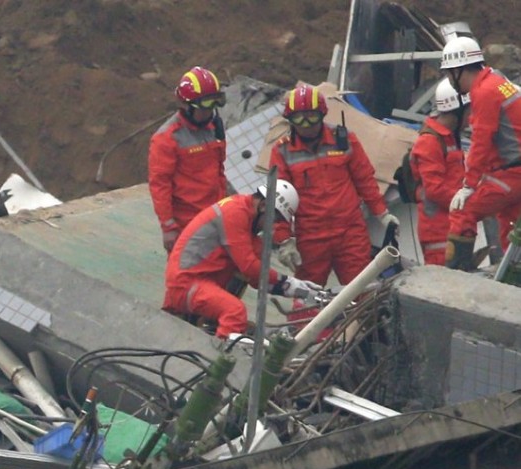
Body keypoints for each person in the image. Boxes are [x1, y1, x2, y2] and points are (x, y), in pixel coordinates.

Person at [269, 84, 399, 285]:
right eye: (298, 118)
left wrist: (382, 214)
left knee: (360, 288)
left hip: (349, 232)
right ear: (290, 119)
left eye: (311, 117)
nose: (305, 124)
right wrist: (284, 240)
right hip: (310, 235)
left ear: (322, 114)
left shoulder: (344, 140)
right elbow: (278, 200)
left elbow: (364, 179)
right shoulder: (282, 151)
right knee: (307, 294)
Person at [162, 180, 321, 340]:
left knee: (243, 323)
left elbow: (256, 279)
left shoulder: (247, 224)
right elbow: (249, 267)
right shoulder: (235, 213)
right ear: (264, 206)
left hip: (200, 282)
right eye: (273, 220)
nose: (271, 227)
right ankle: (219, 359)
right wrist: (288, 282)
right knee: (234, 312)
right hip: (185, 284)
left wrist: (300, 289)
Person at [441, 36, 521, 270]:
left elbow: (481, 142)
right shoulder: (498, 80)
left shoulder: (485, 91)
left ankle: (457, 276)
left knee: (463, 210)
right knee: (511, 228)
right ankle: (512, 281)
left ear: (459, 70)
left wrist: (469, 185)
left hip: (513, 172)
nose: (449, 79)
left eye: (449, 73)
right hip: (513, 170)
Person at [149, 66, 228, 254]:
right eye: (205, 106)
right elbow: (160, 184)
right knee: (186, 278)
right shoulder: (166, 139)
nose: (210, 112)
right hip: (187, 224)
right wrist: (168, 227)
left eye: (214, 104)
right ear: (185, 105)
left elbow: (219, 170)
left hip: (215, 217)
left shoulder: (214, 126)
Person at [408, 78, 467, 265]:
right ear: (456, 111)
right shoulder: (430, 142)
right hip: (438, 235)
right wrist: (471, 202)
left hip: (453, 228)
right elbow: (435, 190)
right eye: (470, 110)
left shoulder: (449, 138)